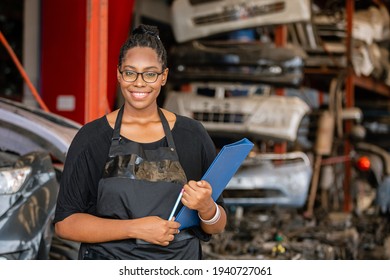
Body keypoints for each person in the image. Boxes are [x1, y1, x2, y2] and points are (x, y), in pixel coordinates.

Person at [53, 24, 227, 260]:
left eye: (150, 73)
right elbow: (65, 224)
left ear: (163, 76)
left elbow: (217, 224)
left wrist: (207, 207)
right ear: (119, 74)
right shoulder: (92, 138)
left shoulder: (192, 135)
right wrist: (135, 228)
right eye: (130, 72)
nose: (139, 82)